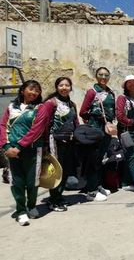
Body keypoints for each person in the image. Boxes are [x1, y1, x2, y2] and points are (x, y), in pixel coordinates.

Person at [0, 80, 47, 226]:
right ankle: (20, 210)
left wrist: (19, 147)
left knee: (33, 181)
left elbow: (37, 130)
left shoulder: (40, 108)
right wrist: (6, 146)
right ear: (22, 90)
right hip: (12, 151)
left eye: (37, 90)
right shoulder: (11, 107)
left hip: (32, 150)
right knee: (17, 181)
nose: (33, 92)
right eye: (31, 89)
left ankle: (31, 206)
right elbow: (2, 126)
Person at [44, 77, 80, 212]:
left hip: (69, 142)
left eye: (67, 85)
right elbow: (44, 124)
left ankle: (59, 195)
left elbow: (76, 122)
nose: (64, 88)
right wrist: (46, 143)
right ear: (56, 87)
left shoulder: (72, 104)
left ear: (71, 88)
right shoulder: (51, 103)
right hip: (55, 142)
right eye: (61, 85)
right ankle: (53, 199)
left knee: (65, 170)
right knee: (55, 171)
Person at [79, 67, 115, 201]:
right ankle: (91, 191)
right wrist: (95, 117)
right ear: (96, 76)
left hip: (106, 129)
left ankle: (98, 185)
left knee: (101, 158)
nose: (103, 77)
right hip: (95, 128)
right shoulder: (91, 92)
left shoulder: (110, 92)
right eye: (101, 75)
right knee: (93, 159)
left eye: (106, 75)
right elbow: (83, 112)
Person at [116, 75, 134, 196]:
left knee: (132, 156)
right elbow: (120, 116)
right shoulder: (122, 98)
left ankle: (126, 182)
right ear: (126, 85)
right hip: (126, 131)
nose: (132, 84)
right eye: (129, 83)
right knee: (133, 156)